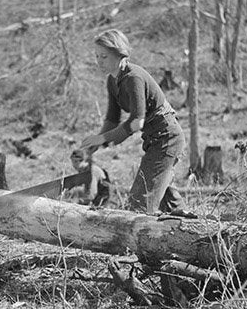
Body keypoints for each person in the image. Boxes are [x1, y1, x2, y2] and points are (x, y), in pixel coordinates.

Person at [73, 28, 192, 216]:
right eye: (97, 56)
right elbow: (112, 120)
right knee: (169, 205)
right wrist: (92, 147)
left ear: (119, 55)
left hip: (167, 138)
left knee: (139, 207)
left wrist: (103, 138)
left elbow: (137, 122)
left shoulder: (133, 78)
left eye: (104, 57)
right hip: (154, 140)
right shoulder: (112, 81)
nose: (99, 62)